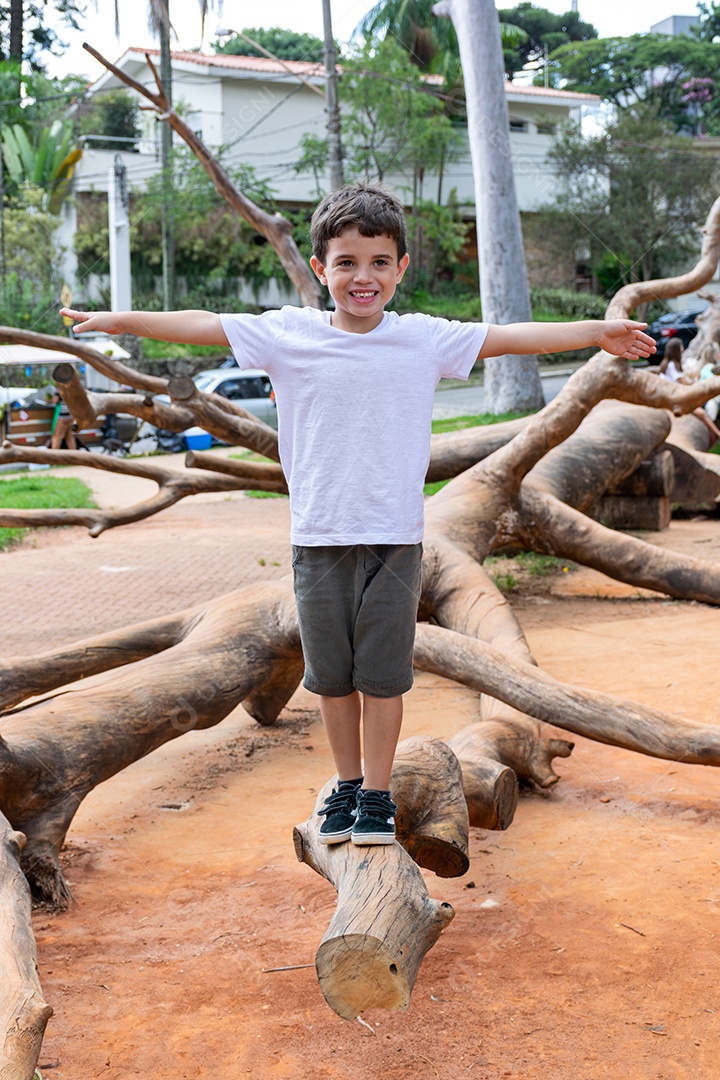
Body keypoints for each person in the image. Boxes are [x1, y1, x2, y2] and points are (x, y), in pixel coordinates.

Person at [60, 182, 656, 847]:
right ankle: (346, 786)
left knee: (383, 678)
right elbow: (202, 322)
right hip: (318, 542)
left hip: (396, 544)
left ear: (401, 268)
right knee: (331, 680)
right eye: (345, 262)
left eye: (378, 262)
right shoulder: (289, 333)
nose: (362, 277)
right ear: (320, 269)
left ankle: (377, 796)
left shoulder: (423, 340)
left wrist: (596, 332)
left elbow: (511, 337)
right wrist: (118, 321)